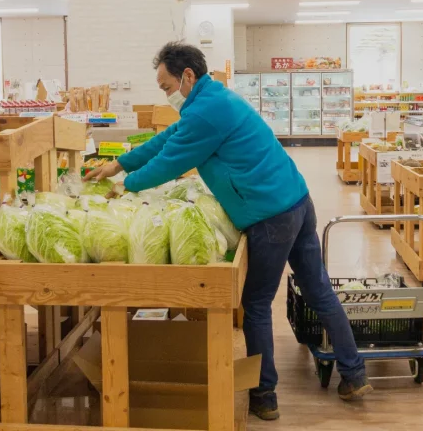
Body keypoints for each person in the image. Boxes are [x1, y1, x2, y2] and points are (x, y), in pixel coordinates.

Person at [84, 41, 371, 420]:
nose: (166, 94)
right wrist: (118, 164)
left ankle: (264, 395)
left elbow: (170, 162)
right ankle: (354, 375)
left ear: (187, 76)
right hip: (298, 200)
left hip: (271, 215)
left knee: (254, 304)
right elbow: (167, 139)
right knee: (318, 289)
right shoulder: (213, 99)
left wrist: (126, 185)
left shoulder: (205, 113)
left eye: (166, 86)